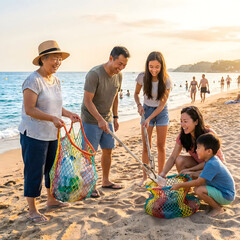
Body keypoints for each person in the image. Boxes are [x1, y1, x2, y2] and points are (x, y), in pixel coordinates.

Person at [18, 40, 81, 223]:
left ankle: (51, 200)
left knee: (51, 170)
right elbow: (30, 109)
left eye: (60, 59)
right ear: (43, 59)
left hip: (52, 134)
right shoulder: (33, 80)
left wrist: (69, 114)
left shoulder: (56, 80)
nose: (58, 63)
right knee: (34, 171)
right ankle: (32, 210)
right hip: (34, 135)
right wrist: (52, 119)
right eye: (54, 59)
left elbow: (55, 107)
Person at [81, 46, 130, 197]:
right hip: (90, 119)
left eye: (124, 65)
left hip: (107, 118)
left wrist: (115, 117)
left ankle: (106, 181)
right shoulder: (94, 74)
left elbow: (115, 96)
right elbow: (87, 101)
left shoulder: (119, 75)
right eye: (119, 64)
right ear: (111, 58)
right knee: (89, 154)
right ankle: (89, 186)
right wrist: (99, 120)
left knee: (108, 150)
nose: (120, 68)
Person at [171, 133, 235, 217]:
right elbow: (203, 174)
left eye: (198, 148)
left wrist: (179, 185)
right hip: (222, 190)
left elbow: (198, 182)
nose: (196, 150)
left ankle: (217, 208)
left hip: (226, 195)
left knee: (199, 190)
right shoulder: (212, 159)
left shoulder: (212, 164)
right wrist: (190, 172)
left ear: (209, 151)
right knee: (198, 186)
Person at [134, 51, 171, 186]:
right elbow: (136, 94)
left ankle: (161, 175)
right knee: (146, 146)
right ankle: (145, 177)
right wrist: (139, 105)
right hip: (146, 109)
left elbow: (162, 105)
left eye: (157, 67)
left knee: (161, 146)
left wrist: (149, 118)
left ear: (162, 67)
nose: (154, 70)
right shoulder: (142, 77)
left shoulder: (166, 80)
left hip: (161, 113)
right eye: (151, 66)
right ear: (147, 65)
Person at [159, 106, 225, 179]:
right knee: (179, 160)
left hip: (214, 167)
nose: (182, 124)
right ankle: (186, 187)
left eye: (185, 121)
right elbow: (173, 157)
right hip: (199, 164)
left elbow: (212, 162)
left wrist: (190, 170)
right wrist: (163, 173)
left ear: (196, 122)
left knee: (199, 189)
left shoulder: (208, 134)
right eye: (181, 121)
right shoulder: (183, 135)